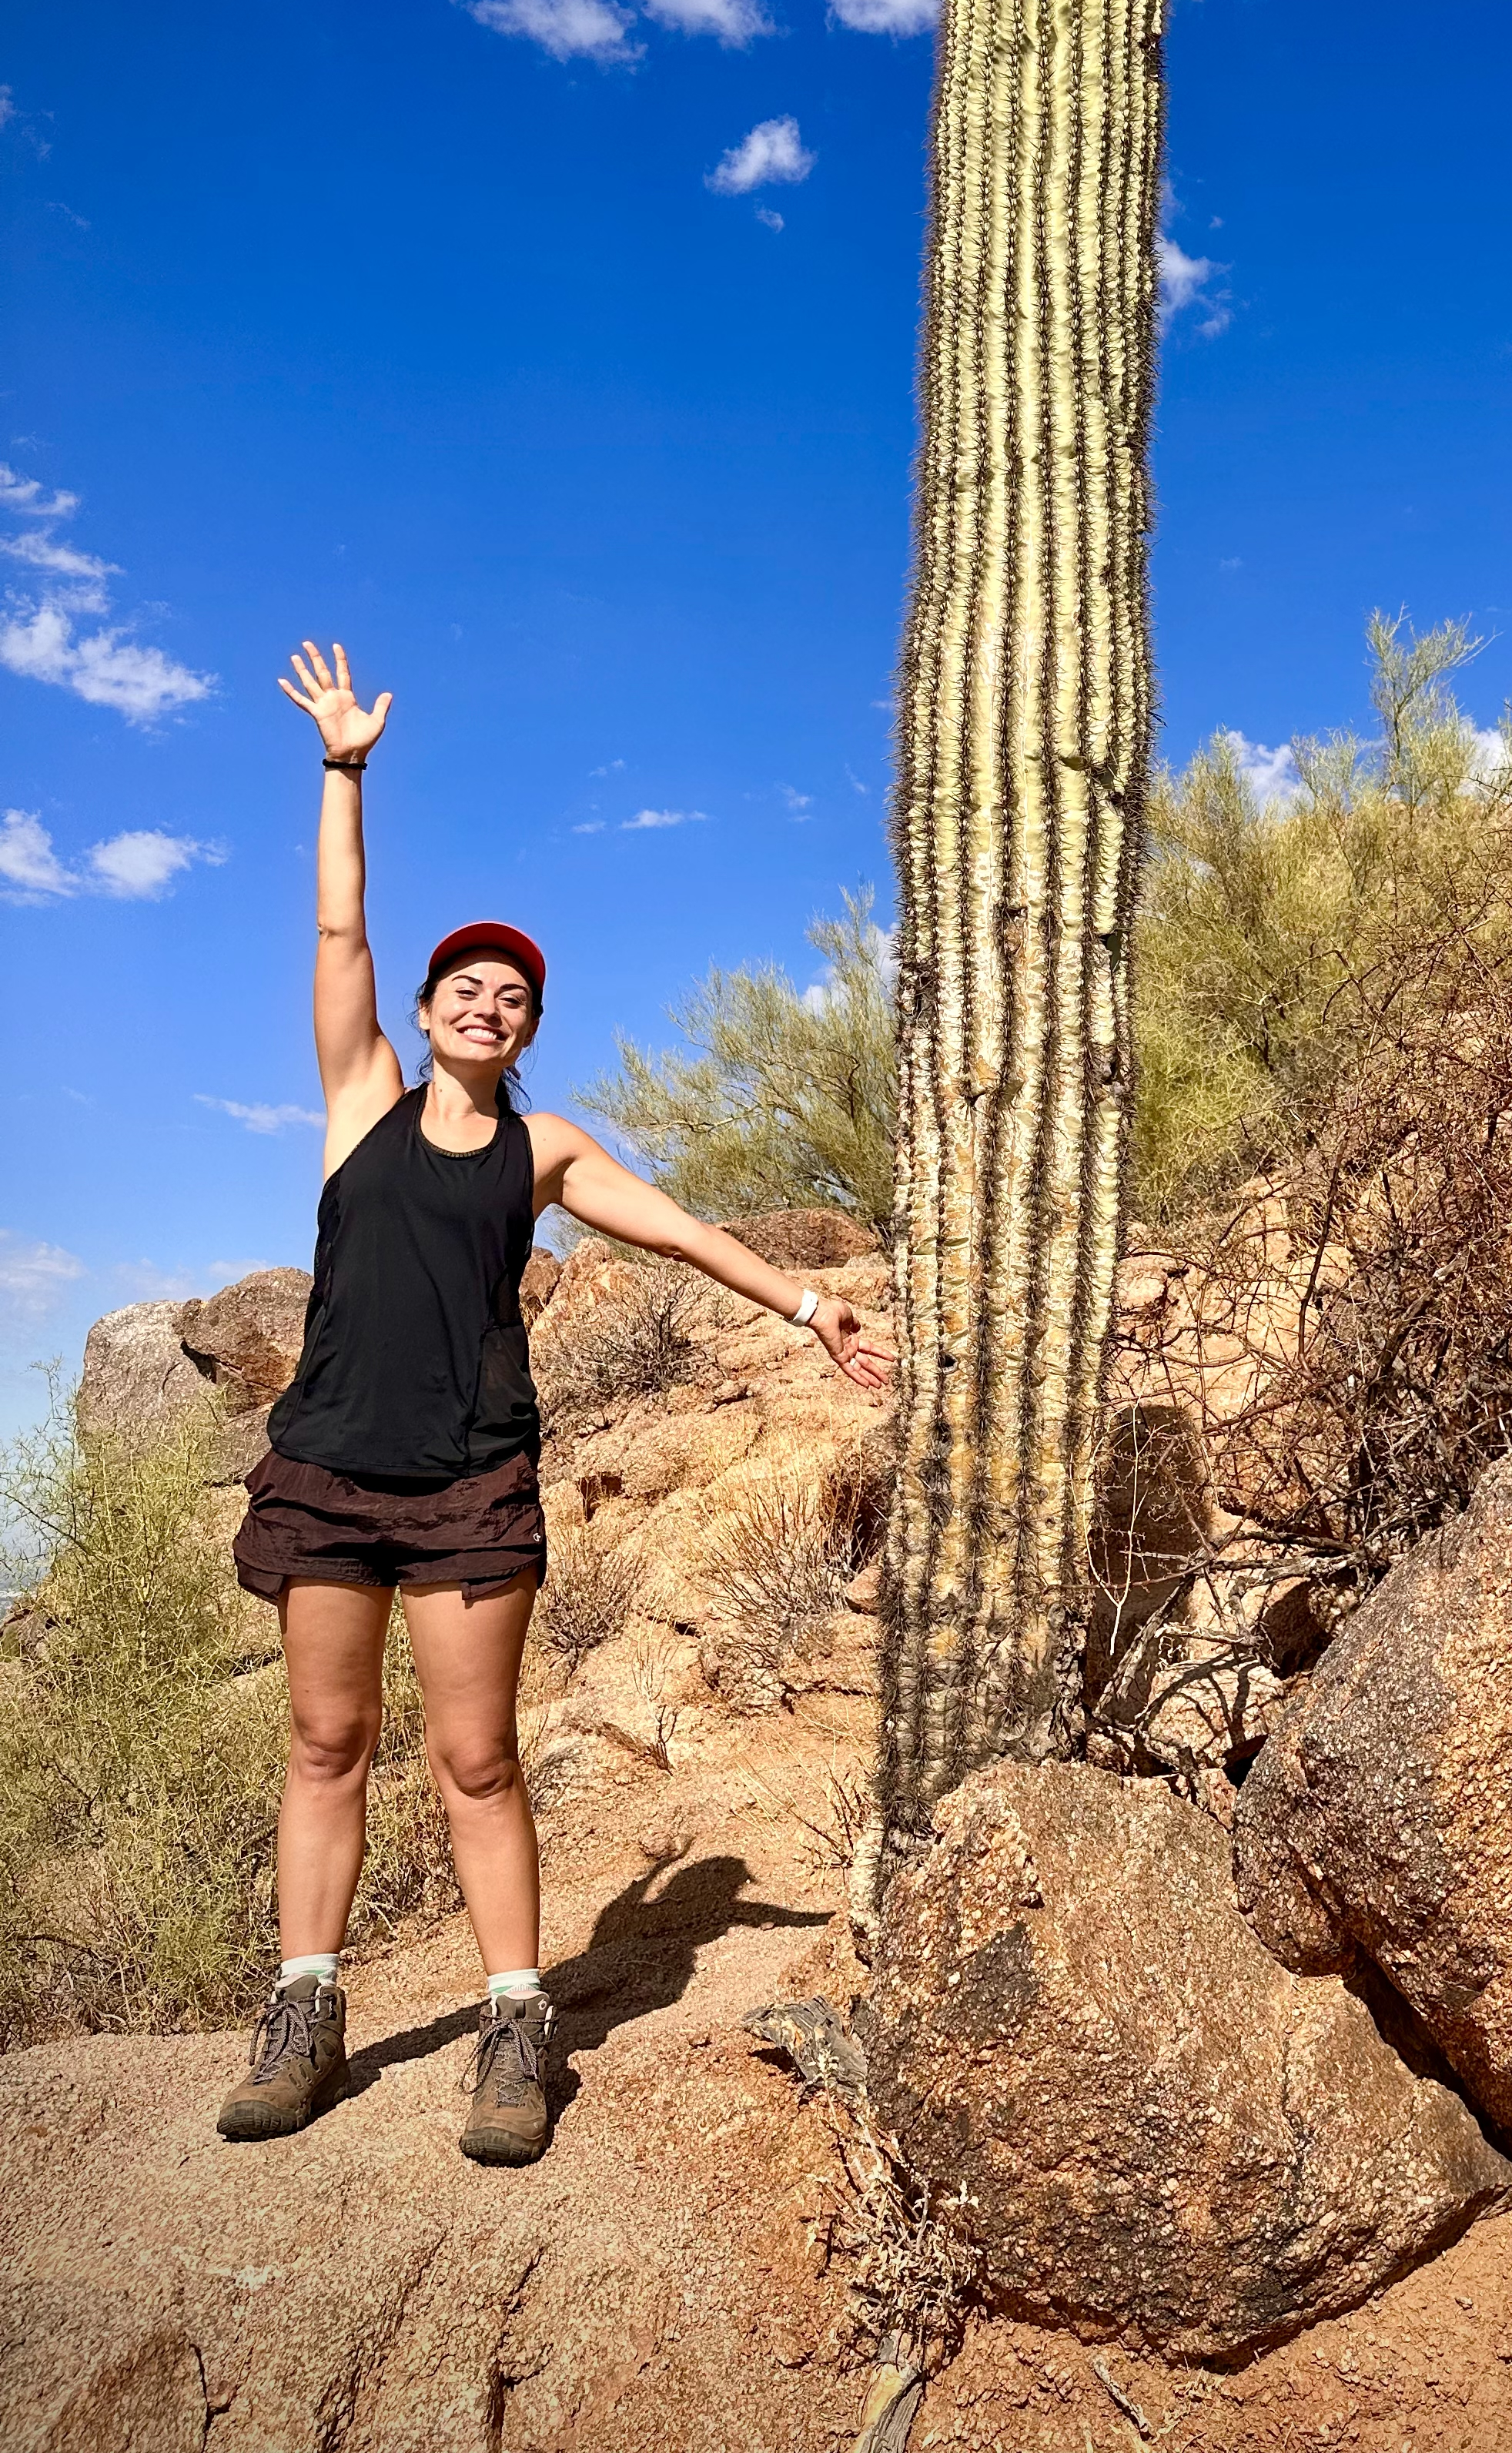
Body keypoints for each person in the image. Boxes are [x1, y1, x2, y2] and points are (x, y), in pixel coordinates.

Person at [216, 643, 891, 2166]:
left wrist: (806, 1300)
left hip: (466, 1483)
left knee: (475, 1762)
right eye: (466, 984)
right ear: (429, 1007)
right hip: (327, 1468)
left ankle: (517, 2030)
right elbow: (337, 928)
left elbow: (676, 1228)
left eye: (511, 995)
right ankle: (305, 2016)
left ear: (525, 1030)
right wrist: (343, 769)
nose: (486, 1002)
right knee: (327, 1745)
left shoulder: (546, 1151)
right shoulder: (356, 1103)